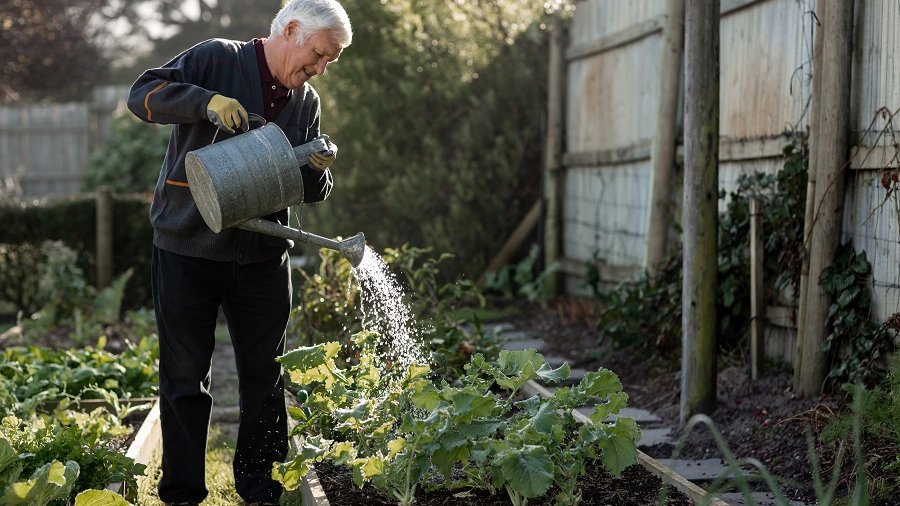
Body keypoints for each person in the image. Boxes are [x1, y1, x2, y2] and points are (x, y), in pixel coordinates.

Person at [126, 1, 352, 504]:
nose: (318, 70)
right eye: (317, 55)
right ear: (291, 30)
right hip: (187, 246)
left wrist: (317, 168)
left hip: (261, 257)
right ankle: (183, 493)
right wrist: (205, 103)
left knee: (266, 380)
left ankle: (259, 489)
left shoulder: (306, 102)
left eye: (327, 63)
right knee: (184, 379)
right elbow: (141, 96)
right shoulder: (216, 59)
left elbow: (313, 189)